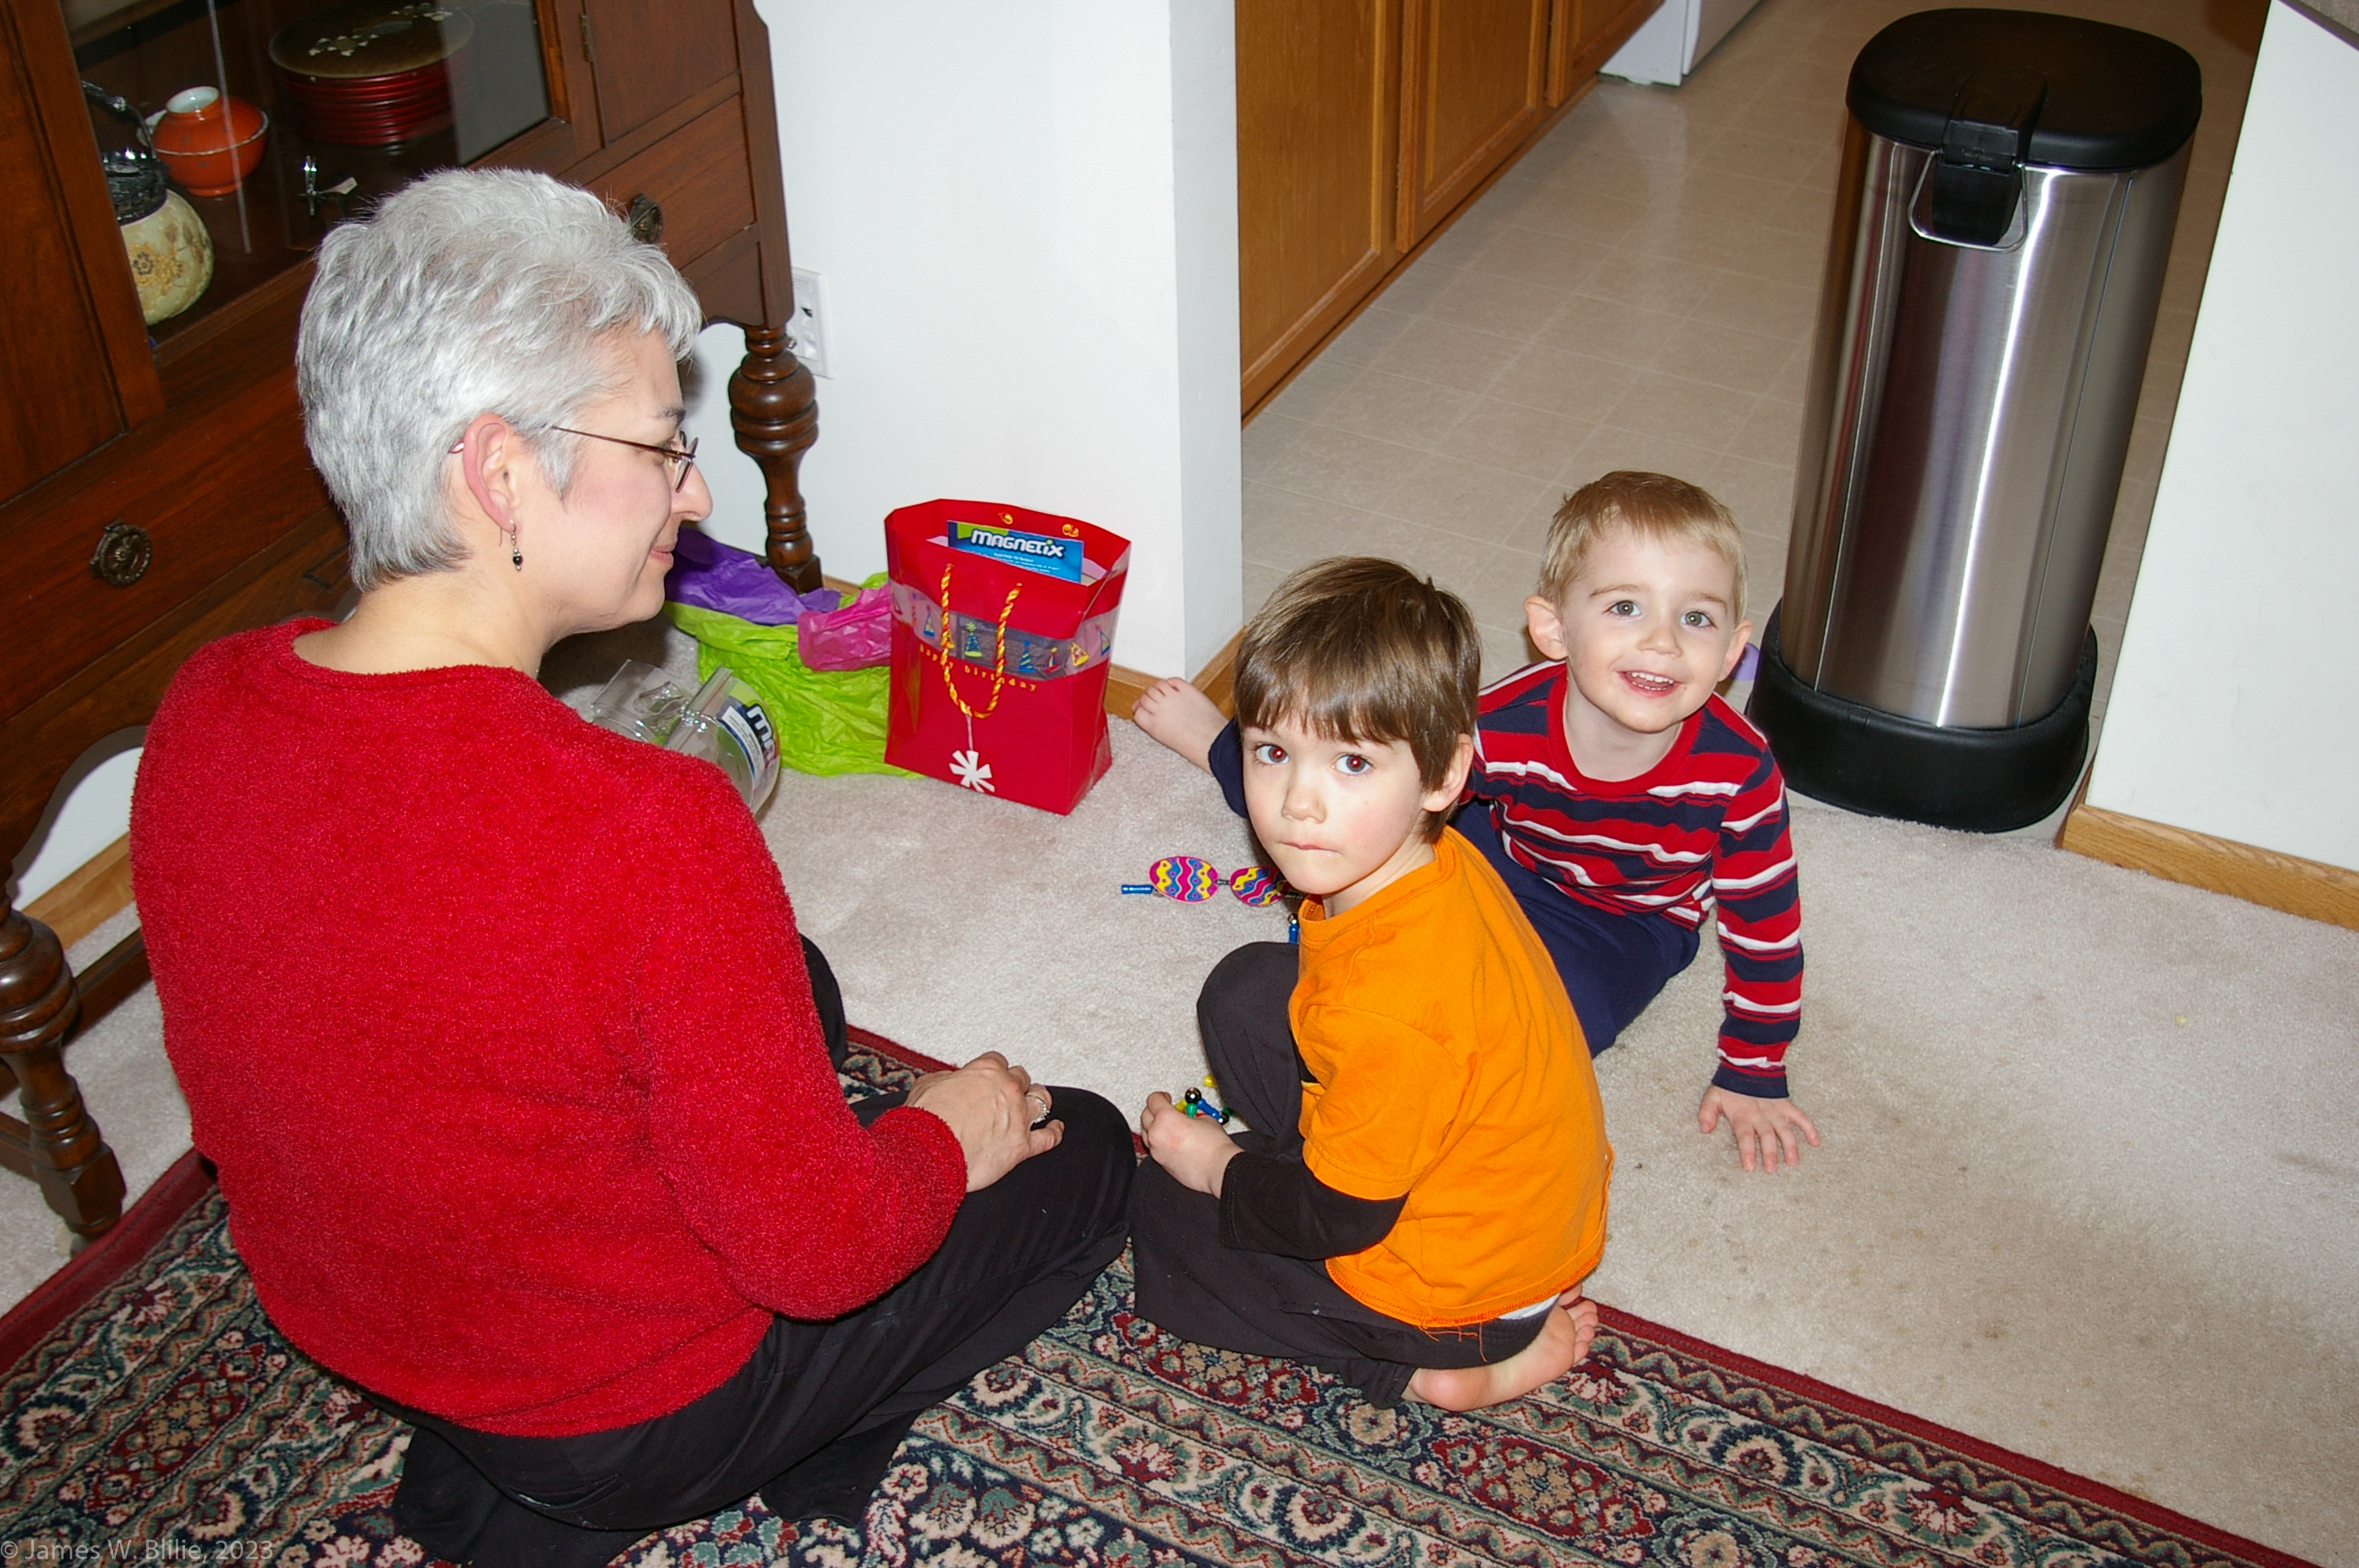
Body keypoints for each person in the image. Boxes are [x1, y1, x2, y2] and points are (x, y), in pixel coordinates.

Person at [129, 169, 1132, 1568]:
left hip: (355, 1318)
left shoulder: (206, 704)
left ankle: (515, 1459)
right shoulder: (649, 825)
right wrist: (940, 1140)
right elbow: (821, 1260)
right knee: (1086, 1149)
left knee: (784, 979)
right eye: (662, 445)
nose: (697, 489)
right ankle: (744, 1458)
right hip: (622, 1418)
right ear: (498, 473)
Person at [1136, 472, 1817, 1173]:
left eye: (1696, 619)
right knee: (1353, 805)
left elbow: (1766, 925)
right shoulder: (1505, 721)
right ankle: (1220, 745)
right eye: (1625, 607)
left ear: (1732, 650)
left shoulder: (1741, 772)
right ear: (1553, 628)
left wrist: (1754, 1067)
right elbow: (1382, 785)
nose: (1663, 642)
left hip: (1630, 921)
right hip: (1501, 852)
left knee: (1534, 1040)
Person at [1129, 559, 1611, 1414]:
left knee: (1163, 1208)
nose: (1298, 803)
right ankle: (1307, 1172)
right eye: (1272, 752)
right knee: (1247, 988)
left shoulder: (1390, 1005)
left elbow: (1342, 1220)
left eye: (1351, 762)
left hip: (1457, 1294)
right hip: (1509, 1199)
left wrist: (1215, 1166)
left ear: (1444, 774)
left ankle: (1432, 1371)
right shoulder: (1437, 857)